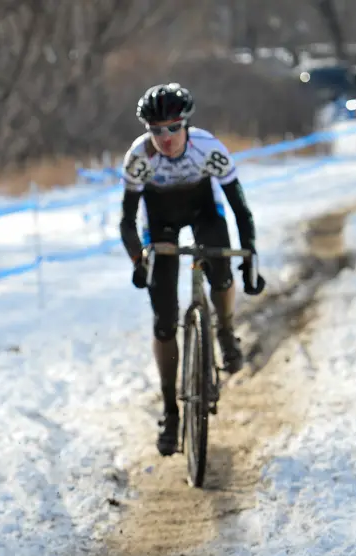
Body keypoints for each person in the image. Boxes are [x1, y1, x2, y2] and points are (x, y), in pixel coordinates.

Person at [118, 83, 265, 456]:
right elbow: (127, 220)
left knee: (221, 268)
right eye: (156, 130)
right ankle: (171, 411)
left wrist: (249, 255)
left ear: (186, 124)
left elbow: (239, 208)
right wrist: (138, 259)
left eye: (173, 127)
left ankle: (226, 330)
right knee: (164, 321)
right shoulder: (138, 158)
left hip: (203, 213)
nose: (165, 138)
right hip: (161, 222)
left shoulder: (209, 149)